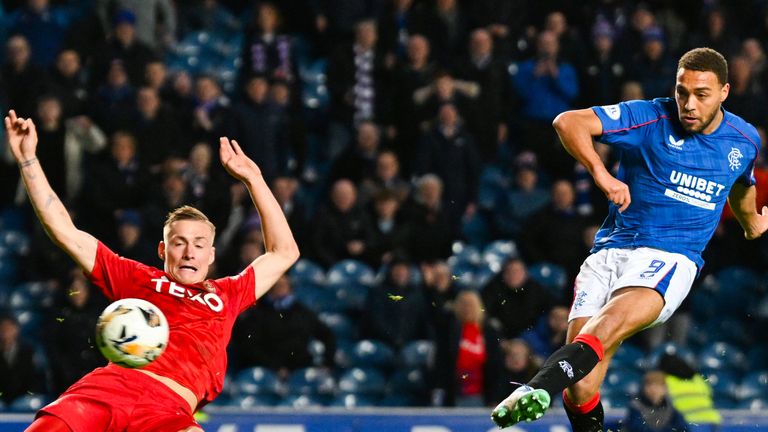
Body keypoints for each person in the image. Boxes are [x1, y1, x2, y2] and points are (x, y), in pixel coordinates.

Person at [491, 47, 768, 431]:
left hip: (671, 257)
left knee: (607, 324)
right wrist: (602, 175)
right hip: (609, 252)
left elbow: (741, 182)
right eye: (681, 91)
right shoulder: (650, 116)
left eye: (701, 95)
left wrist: (751, 222)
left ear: (724, 91)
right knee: (582, 385)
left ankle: (535, 389)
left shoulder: (744, 139)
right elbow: (567, 122)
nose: (688, 104)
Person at [6, 110, 300, 431]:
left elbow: (284, 252)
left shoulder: (227, 294)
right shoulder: (137, 277)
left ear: (211, 255)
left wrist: (254, 180)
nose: (189, 252)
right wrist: (28, 159)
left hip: (168, 411)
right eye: (179, 242)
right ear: (163, 250)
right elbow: (65, 231)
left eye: (199, 244)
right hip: (107, 391)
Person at [621, 371, 688, 432]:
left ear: (665, 389)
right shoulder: (635, 406)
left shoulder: (672, 408)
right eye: (649, 385)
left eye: (657, 386)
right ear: (643, 388)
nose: (653, 390)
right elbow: (637, 428)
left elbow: (682, 428)